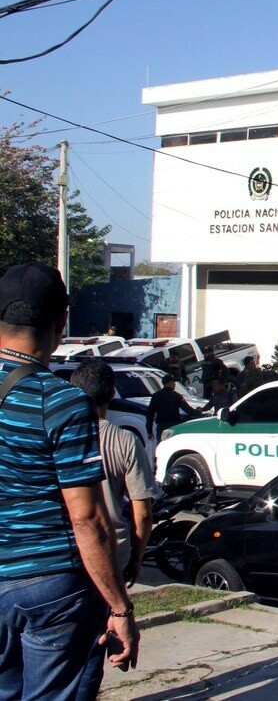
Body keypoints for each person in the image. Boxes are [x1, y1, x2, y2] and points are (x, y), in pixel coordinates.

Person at [0, 262, 139, 696]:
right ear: (62, 322)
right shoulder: (62, 401)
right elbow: (88, 519)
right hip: (51, 585)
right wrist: (119, 607)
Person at [70, 359, 155, 585]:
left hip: (69, 551)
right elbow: (143, 514)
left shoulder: (60, 439)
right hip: (113, 553)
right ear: (111, 394)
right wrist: (137, 558)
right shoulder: (126, 441)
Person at [146, 374, 195, 444]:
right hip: (174, 426)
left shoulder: (156, 396)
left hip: (161, 427)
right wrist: (198, 412)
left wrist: (149, 431)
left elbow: (150, 414)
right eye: (174, 382)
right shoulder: (176, 396)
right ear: (170, 383)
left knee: (162, 446)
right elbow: (188, 410)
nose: (175, 384)